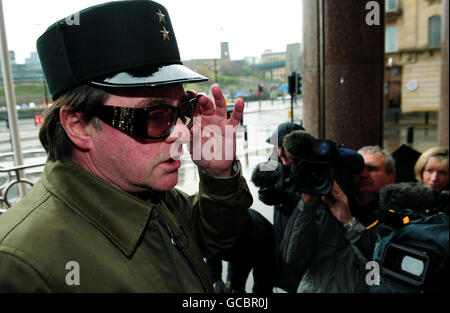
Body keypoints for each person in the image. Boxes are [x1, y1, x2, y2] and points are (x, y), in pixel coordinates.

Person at [0, 1, 252, 292]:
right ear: (78, 125)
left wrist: (220, 175)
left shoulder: (149, 192)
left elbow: (215, 238)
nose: (183, 134)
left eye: (184, 109)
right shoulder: (20, 267)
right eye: (156, 116)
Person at [281, 140, 396, 292]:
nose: (363, 174)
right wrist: (307, 205)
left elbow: (379, 261)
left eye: (372, 169)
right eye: (359, 169)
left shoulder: (395, 215)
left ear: (391, 178)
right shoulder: (325, 205)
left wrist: (348, 222)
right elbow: (293, 256)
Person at [251, 122, 303, 292]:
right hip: (281, 242)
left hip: (303, 251)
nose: (280, 152)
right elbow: (262, 177)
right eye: (277, 147)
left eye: (283, 146)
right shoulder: (276, 161)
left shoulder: (309, 171)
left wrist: (286, 198)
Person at [205, 208, 275, 293]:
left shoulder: (259, 236)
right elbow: (212, 251)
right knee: (231, 287)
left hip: (264, 247)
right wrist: (215, 280)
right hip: (242, 244)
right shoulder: (214, 226)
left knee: (262, 289)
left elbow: (263, 279)